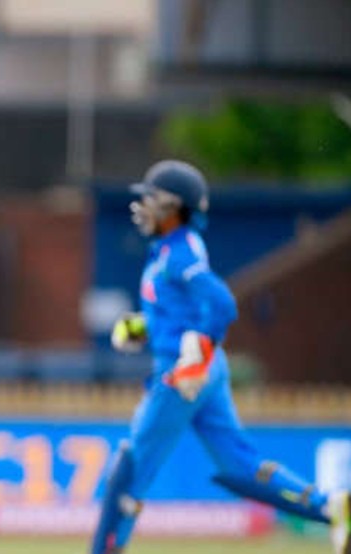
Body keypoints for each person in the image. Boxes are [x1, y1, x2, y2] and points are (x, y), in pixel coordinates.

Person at [91, 160, 351, 554]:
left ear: (174, 207)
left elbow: (222, 304)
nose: (142, 206)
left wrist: (197, 355)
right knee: (240, 467)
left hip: (183, 375)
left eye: (151, 198)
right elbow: (183, 313)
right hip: (204, 368)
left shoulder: (178, 254)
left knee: (130, 471)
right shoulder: (170, 251)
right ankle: (332, 507)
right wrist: (142, 328)